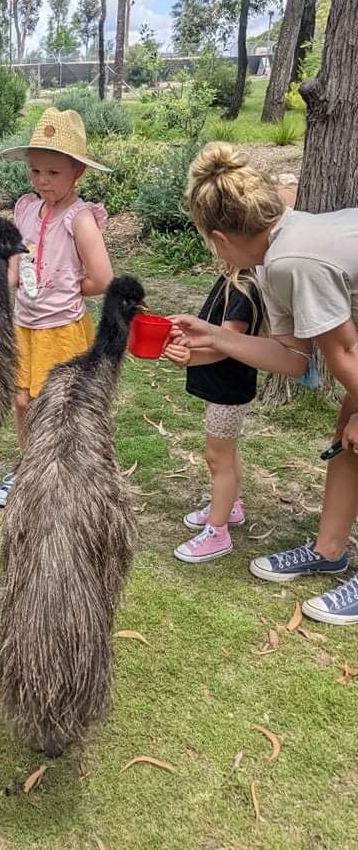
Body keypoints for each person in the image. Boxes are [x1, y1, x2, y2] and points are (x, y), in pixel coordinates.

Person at [171, 143, 358, 625]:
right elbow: (293, 358)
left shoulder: (290, 260)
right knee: (348, 440)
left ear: (219, 238)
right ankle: (329, 551)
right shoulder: (275, 251)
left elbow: (344, 354)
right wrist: (214, 334)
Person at [0, 107, 113, 507]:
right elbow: (15, 270)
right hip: (24, 325)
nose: (42, 180)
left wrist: (67, 288)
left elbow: (102, 278)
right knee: (22, 400)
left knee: (57, 405)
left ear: (78, 171)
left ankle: (62, 473)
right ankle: (27, 468)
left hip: (61, 329)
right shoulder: (25, 208)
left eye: (53, 172)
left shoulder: (80, 220)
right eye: (36, 171)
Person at [164, 269, 263, 563]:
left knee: (218, 459)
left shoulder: (244, 286)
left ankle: (217, 533)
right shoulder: (233, 277)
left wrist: (192, 357)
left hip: (227, 388)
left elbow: (229, 343)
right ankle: (230, 506)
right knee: (227, 453)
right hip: (224, 386)